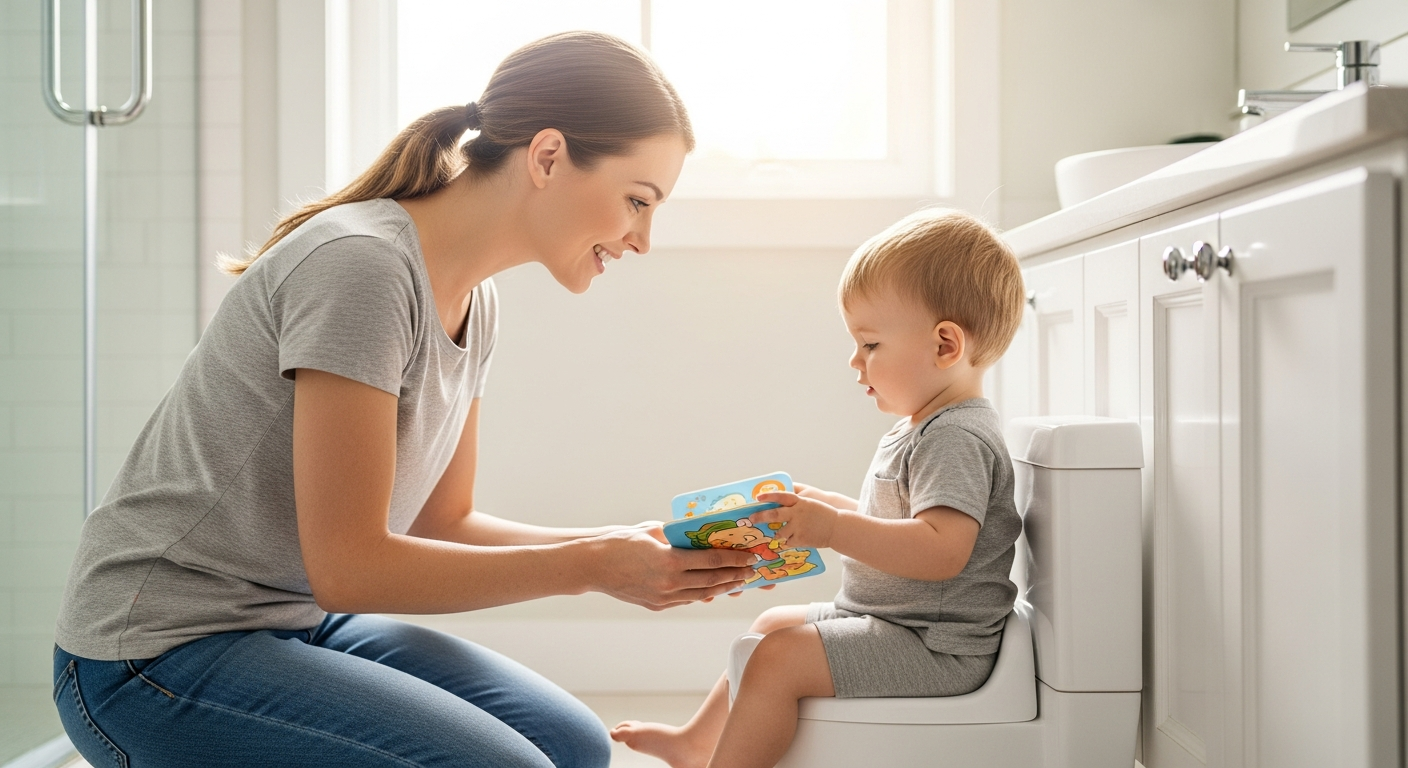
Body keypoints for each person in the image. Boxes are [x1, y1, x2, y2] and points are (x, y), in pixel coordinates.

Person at [51, 32, 758, 768]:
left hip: (290, 619)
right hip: (150, 655)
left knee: (573, 747)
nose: (642, 238)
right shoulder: (362, 267)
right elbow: (352, 568)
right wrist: (589, 566)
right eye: (637, 201)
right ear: (548, 156)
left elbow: (441, 520)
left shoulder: (474, 300)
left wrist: (622, 547)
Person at [612, 209, 1028, 768]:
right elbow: (898, 523)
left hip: (937, 646)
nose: (855, 361)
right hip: (896, 622)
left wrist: (832, 528)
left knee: (780, 657)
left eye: (871, 344)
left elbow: (941, 550)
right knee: (771, 626)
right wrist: (824, 508)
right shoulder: (926, 427)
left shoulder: (956, 437)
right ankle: (695, 743)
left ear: (946, 345)